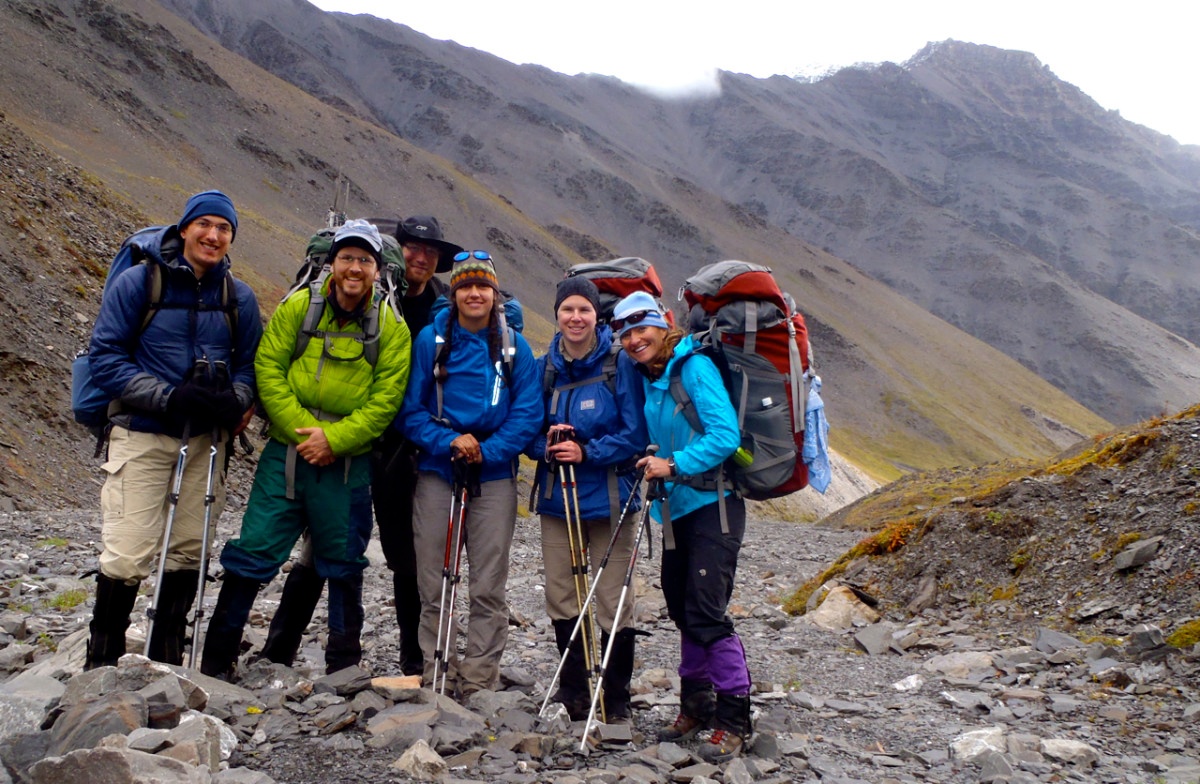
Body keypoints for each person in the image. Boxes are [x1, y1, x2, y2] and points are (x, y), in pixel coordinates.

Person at [200, 219, 411, 679]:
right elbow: (268, 370)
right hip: (290, 454)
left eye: (365, 260)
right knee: (252, 550)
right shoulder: (300, 307)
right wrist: (309, 435)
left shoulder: (392, 328)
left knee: (343, 561)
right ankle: (216, 661)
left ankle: (343, 667)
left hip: (346, 461)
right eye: (347, 258)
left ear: (377, 270)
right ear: (332, 263)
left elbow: (387, 400)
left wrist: (333, 440)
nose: (355, 268)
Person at [260, 215, 462, 676]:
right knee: (323, 546)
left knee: (403, 554)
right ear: (397, 251)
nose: (421, 258)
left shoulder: (441, 310)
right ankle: (282, 651)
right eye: (413, 248)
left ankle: (412, 660)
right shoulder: (371, 300)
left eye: (431, 253)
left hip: (400, 450)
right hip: (344, 443)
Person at [84, 190, 263, 669]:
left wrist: (237, 400)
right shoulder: (139, 284)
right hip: (142, 433)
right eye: (204, 224)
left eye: (223, 228)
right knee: (126, 554)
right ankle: (100, 667)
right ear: (183, 229)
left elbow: (251, 366)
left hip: (207, 441)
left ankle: (165, 662)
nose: (213, 235)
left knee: (187, 552)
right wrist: (167, 396)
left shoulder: (238, 298)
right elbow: (105, 359)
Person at [613, 290, 754, 761]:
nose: (634, 340)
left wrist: (672, 466)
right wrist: (657, 456)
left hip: (714, 506)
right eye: (626, 333)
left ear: (663, 324)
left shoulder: (693, 367)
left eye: (641, 328)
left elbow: (725, 435)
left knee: (707, 613)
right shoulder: (654, 376)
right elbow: (676, 434)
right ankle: (697, 704)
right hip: (675, 511)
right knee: (681, 609)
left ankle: (735, 720)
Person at [399, 251, 541, 697]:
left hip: (494, 477)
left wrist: (487, 450)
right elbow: (410, 412)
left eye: (483, 286)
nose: (474, 293)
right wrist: (449, 442)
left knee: (487, 583)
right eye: (465, 286)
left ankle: (479, 679)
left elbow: (528, 413)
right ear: (455, 292)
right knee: (434, 578)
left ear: (495, 293)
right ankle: (438, 669)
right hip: (438, 471)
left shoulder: (516, 346)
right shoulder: (430, 341)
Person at [527, 277, 647, 721]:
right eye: (567, 310)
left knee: (614, 599)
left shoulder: (621, 366)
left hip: (613, 500)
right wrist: (548, 446)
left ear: (598, 316)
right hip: (560, 501)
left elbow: (636, 434)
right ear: (556, 315)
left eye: (584, 310)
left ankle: (616, 699)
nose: (575, 318)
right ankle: (575, 694)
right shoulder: (545, 369)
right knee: (562, 596)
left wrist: (587, 452)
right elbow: (527, 432)